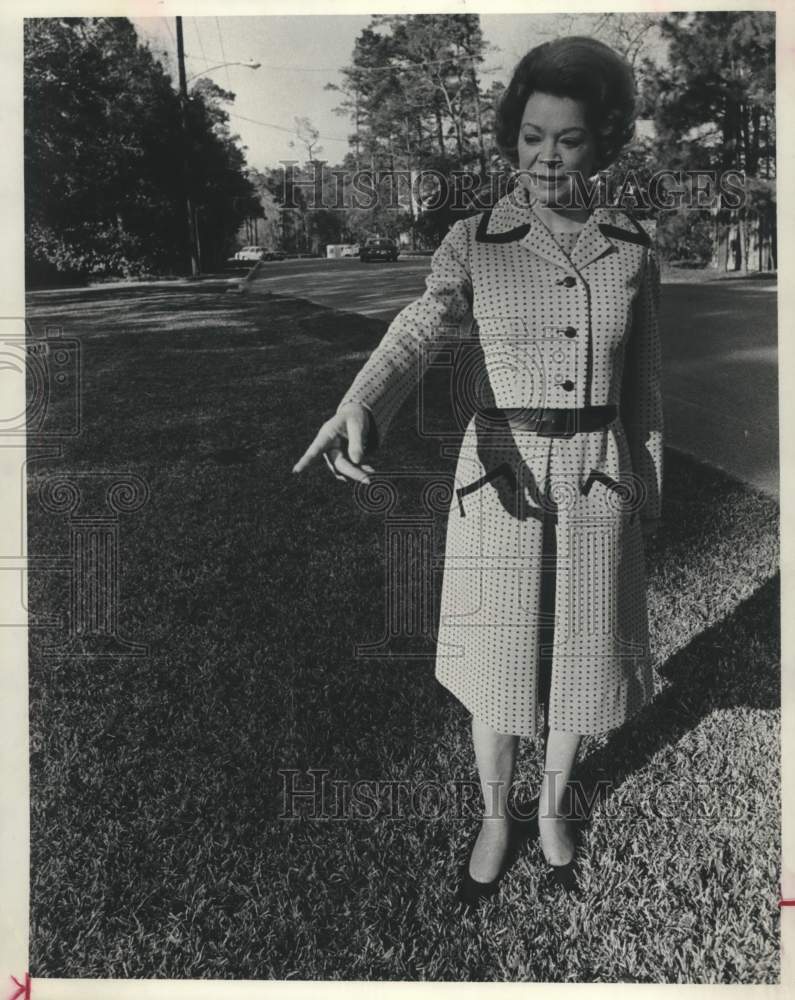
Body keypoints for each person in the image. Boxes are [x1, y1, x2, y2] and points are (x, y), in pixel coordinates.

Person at [293, 35, 663, 906]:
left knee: (582, 655)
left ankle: (551, 808)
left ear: (601, 141)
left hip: (598, 474)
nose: (545, 157)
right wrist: (363, 403)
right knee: (498, 668)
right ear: (512, 136)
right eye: (531, 135)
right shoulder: (474, 239)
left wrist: (647, 493)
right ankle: (497, 814)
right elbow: (422, 325)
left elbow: (644, 388)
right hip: (499, 476)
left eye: (567, 138)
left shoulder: (635, 247)